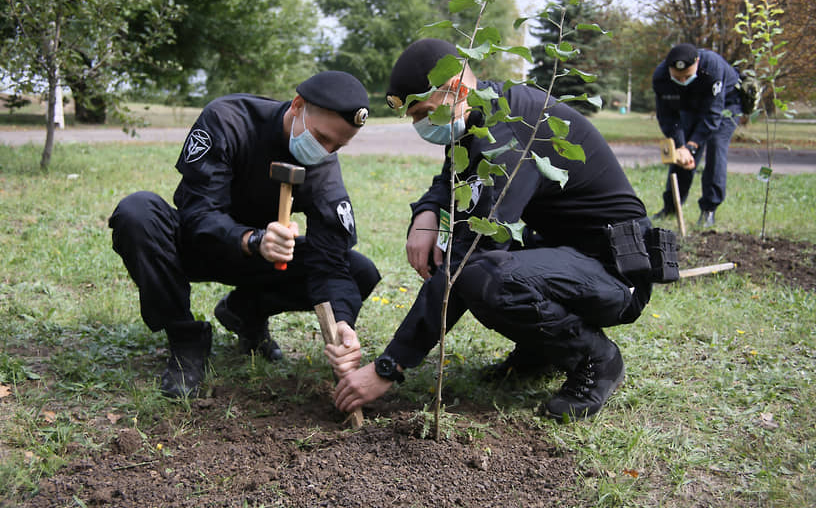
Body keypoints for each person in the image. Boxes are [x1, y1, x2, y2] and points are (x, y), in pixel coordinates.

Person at [329, 38, 662, 421]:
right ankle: (540, 352)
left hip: (617, 272)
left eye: (423, 112)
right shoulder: (486, 112)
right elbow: (454, 172)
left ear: (456, 89)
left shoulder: (510, 137)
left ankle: (597, 359)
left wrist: (390, 366)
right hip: (569, 254)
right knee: (485, 269)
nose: (419, 125)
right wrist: (428, 211)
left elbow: (468, 258)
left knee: (482, 274)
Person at [109, 71, 380, 398]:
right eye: (322, 138)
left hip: (260, 261)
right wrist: (253, 239)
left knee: (357, 271)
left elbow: (332, 261)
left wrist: (343, 323)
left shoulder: (323, 169)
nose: (326, 151)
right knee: (136, 212)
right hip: (199, 245)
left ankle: (244, 313)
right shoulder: (227, 120)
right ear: (297, 106)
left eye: (338, 145)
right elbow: (197, 214)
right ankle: (185, 339)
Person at [651, 43, 742, 227]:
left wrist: (692, 145)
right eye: (678, 77)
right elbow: (668, 117)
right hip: (691, 107)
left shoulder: (712, 67)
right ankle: (671, 206)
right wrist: (682, 146)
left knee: (716, 145)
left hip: (725, 106)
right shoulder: (661, 78)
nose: (683, 81)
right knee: (682, 157)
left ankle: (709, 209)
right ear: (669, 69)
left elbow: (713, 115)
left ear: (697, 62)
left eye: (687, 76)